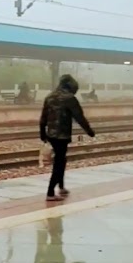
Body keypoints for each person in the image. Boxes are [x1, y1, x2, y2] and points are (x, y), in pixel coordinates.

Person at [38, 74, 94, 202]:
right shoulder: (70, 99)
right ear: (71, 87)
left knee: (61, 160)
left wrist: (42, 134)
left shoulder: (49, 97)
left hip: (51, 134)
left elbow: (43, 118)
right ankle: (50, 192)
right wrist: (89, 131)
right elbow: (80, 117)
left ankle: (61, 187)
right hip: (62, 136)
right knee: (59, 162)